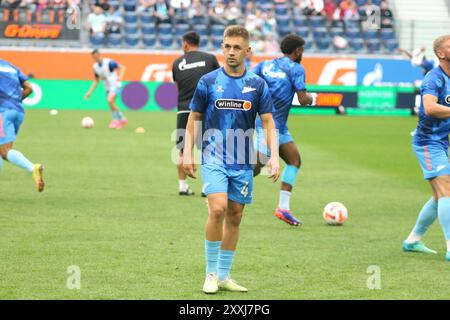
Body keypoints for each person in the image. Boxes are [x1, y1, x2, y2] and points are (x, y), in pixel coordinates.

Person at [183, 25, 280, 293]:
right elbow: (195, 117)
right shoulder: (208, 82)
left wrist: (273, 157)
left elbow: (269, 122)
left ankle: (224, 276)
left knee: (235, 216)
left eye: (237, 47)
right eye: (227, 46)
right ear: (222, 48)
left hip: (243, 161)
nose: (231, 52)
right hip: (213, 157)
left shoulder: (257, 85)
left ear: (248, 51)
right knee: (217, 209)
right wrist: (187, 151)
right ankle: (211, 273)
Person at [253, 34, 316, 226]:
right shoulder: (296, 68)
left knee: (294, 160)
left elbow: (247, 82)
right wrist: (313, 99)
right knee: (256, 166)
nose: (302, 54)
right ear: (297, 51)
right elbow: (303, 99)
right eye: (302, 51)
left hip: (275, 124)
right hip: (269, 125)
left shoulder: (264, 65)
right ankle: (222, 192)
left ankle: (283, 208)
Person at [403, 35, 450, 261]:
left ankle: (412, 240)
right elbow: (430, 108)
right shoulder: (434, 78)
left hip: (442, 142)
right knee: (447, 191)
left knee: (439, 195)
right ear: (441, 53)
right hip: (427, 142)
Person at [172, 31, 220, 196]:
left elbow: (178, 88)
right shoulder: (210, 58)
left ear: (185, 43)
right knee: (208, 149)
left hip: (184, 108)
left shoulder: (177, 63)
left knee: (182, 149)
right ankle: (206, 187)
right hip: (206, 108)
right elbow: (218, 82)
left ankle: (182, 186)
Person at [0, 59, 44, 192]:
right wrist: (15, 101)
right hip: (18, 111)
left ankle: (33, 167)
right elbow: (29, 88)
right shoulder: (11, 66)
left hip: (3, 112)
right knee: (1, 150)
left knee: (4, 151)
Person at [85, 49, 128, 129]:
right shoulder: (95, 67)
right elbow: (96, 81)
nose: (95, 58)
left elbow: (122, 67)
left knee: (110, 100)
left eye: (95, 56)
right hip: (107, 87)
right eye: (93, 57)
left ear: (99, 55)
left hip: (115, 84)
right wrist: (90, 92)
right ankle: (116, 120)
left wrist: (120, 78)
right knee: (111, 104)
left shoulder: (109, 62)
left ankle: (122, 119)